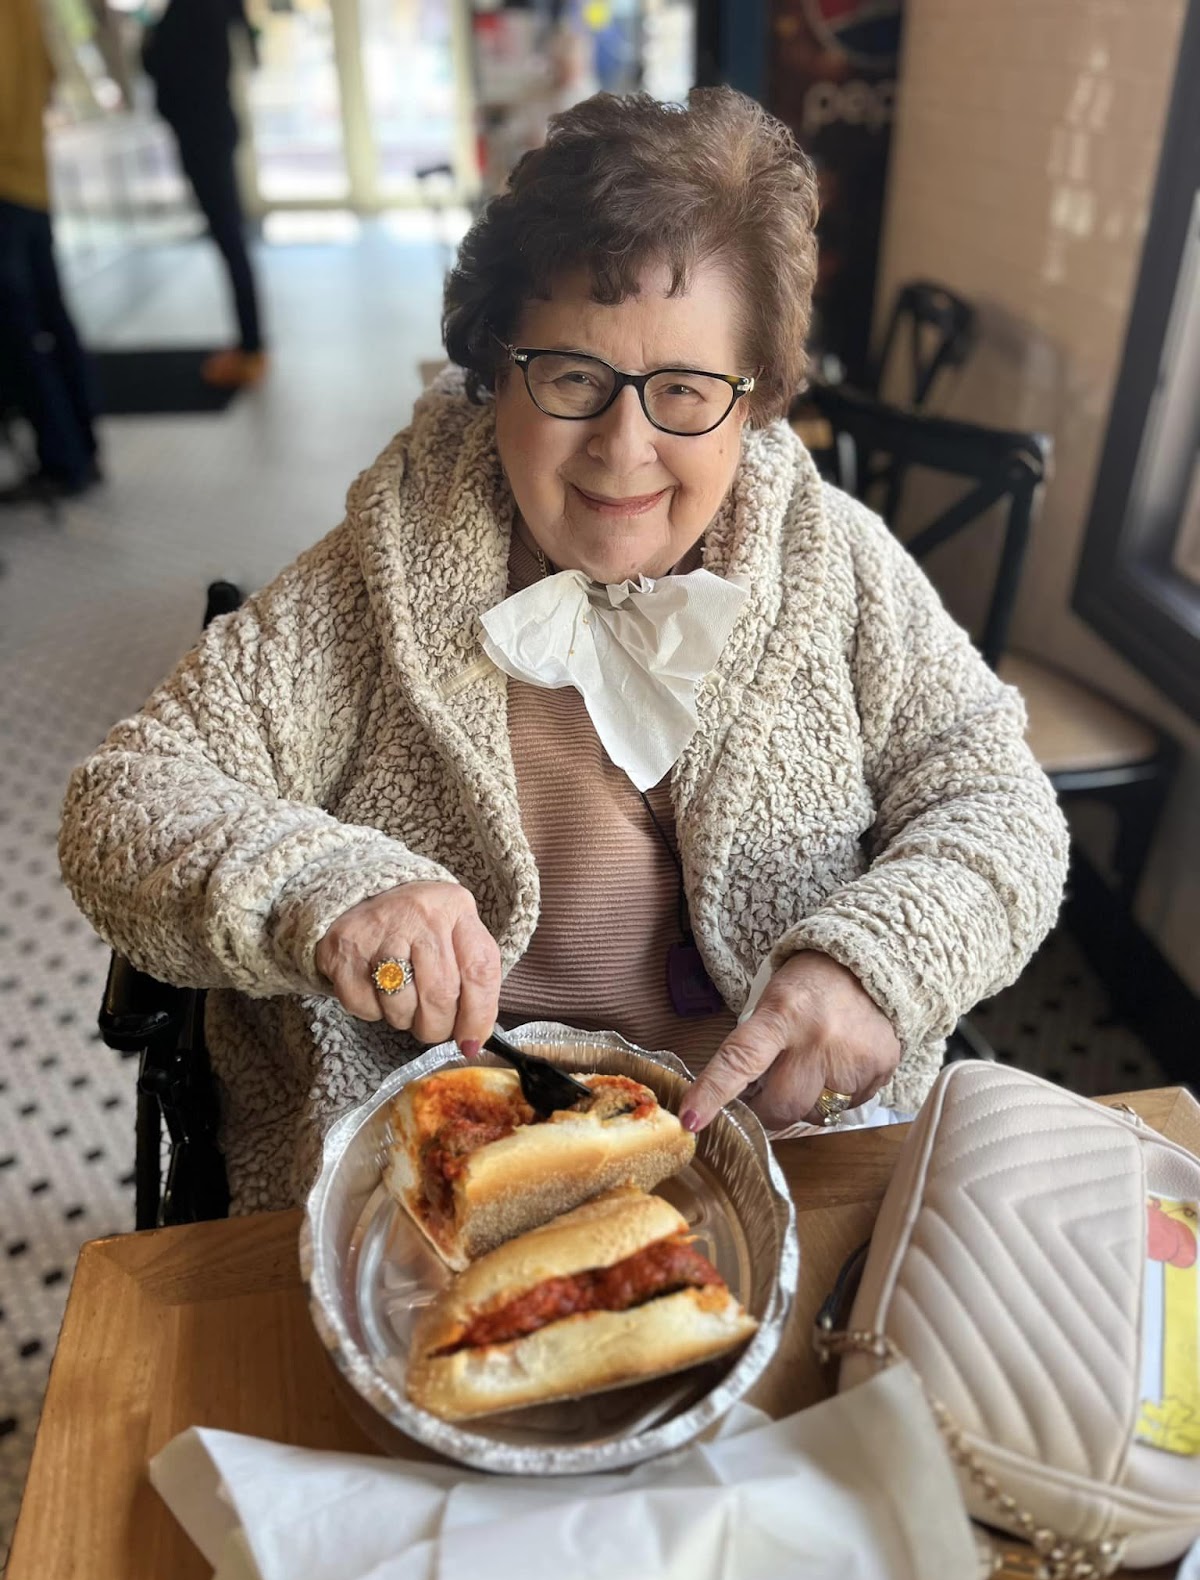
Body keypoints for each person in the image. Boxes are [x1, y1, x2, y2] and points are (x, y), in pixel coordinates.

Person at [59, 90, 1067, 1214]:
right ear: (499, 365)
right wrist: (330, 886)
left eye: (684, 390)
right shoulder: (378, 569)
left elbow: (1001, 802)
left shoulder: (834, 561)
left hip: (780, 1158)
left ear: (755, 404)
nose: (623, 451)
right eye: (574, 377)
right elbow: (122, 803)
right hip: (450, 1160)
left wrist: (879, 962)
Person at [0, 0, 101, 502]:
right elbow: (48, 72)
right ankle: (84, 448)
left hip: (4, 190)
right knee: (53, 323)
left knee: (20, 334)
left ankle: (63, 460)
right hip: (32, 180)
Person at [143, 0, 266, 388]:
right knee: (231, 241)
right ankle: (250, 343)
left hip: (204, 135)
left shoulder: (195, 10)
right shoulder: (208, 8)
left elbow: (164, 66)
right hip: (209, 131)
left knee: (230, 240)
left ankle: (251, 347)